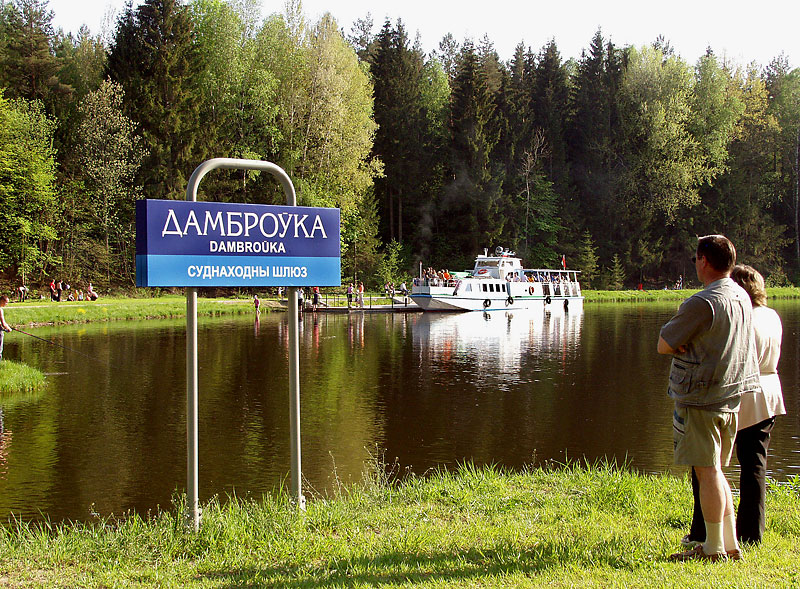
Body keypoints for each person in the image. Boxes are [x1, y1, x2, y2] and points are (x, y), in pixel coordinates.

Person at [657, 235, 761, 562]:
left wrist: (681, 344)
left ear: (704, 261)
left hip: (702, 398)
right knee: (715, 470)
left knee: (707, 472)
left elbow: (663, 343)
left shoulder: (703, 302)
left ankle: (713, 549)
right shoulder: (742, 296)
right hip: (731, 396)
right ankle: (729, 545)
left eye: (696, 259)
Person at [684, 264, 786, 547]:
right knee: (755, 466)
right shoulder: (771, 316)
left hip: (739, 394)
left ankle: (702, 532)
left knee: (706, 465)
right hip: (768, 395)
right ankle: (752, 534)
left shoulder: (742, 320)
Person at [0, 296, 11, 362]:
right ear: (2, 301)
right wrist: (8, 328)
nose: (6, 304)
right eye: (6, 302)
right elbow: (3, 323)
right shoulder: (0, 310)